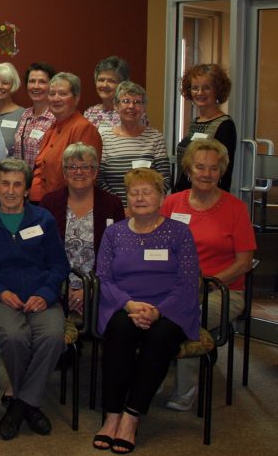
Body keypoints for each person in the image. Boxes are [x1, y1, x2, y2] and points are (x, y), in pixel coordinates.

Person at [92, 168, 200, 453]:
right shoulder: (114, 233)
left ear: (161, 197)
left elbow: (188, 282)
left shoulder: (179, 232)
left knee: (160, 338)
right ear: (126, 198)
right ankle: (112, 413)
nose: (139, 198)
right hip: (124, 303)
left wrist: (157, 311)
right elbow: (103, 277)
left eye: (147, 192)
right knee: (120, 331)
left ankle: (131, 415)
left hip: (170, 308)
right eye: (134, 192)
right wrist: (129, 304)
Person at [0, 158, 69, 441]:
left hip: (40, 297)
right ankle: (31, 406)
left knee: (53, 335)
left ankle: (20, 405)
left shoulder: (43, 220)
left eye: (17, 184)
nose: (10, 190)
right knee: (14, 335)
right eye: (4, 184)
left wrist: (45, 294)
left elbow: (59, 265)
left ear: (26, 189)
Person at [161, 139, 256, 412]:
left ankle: (186, 388)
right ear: (188, 169)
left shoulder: (235, 208)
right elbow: (158, 245)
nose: (206, 173)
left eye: (213, 168)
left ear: (221, 172)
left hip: (222, 290)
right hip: (174, 287)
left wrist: (206, 286)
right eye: (200, 167)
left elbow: (244, 263)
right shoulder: (171, 203)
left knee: (189, 314)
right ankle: (153, 372)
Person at [40, 143, 125, 314]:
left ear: (95, 172)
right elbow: (41, 252)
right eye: (72, 167)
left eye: (85, 167)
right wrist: (64, 291)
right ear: (64, 173)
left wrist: (89, 290)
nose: (78, 172)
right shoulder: (49, 203)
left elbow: (117, 254)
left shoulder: (112, 204)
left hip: (100, 287)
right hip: (56, 287)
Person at [29, 72, 102, 202]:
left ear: (76, 98)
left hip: (63, 205)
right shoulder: (52, 128)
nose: (56, 98)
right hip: (41, 202)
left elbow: (82, 179)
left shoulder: (83, 129)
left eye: (62, 94)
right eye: (52, 94)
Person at [97, 82, 171, 204]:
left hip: (147, 209)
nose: (131, 106)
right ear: (116, 106)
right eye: (125, 101)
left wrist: (142, 203)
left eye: (137, 102)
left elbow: (165, 179)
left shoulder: (155, 138)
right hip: (114, 209)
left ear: (143, 108)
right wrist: (119, 205)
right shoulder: (104, 138)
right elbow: (99, 179)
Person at [173, 63, 236, 193]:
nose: (200, 93)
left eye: (206, 88)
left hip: (206, 198)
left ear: (217, 90)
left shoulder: (225, 125)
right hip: (183, 195)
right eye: (195, 88)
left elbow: (223, 173)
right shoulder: (194, 123)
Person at [12, 62, 56, 170]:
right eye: (32, 81)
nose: (36, 86)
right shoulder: (25, 114)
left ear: (52, 85)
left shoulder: (56, 118)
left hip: (43, 183)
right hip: (21, 183)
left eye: (42, 82)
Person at [83, 56, 131, 130]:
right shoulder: (89, 113)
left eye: (111, 81)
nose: (105, 85)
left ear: (123, 84)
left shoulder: (132, 112)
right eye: (101, 80)